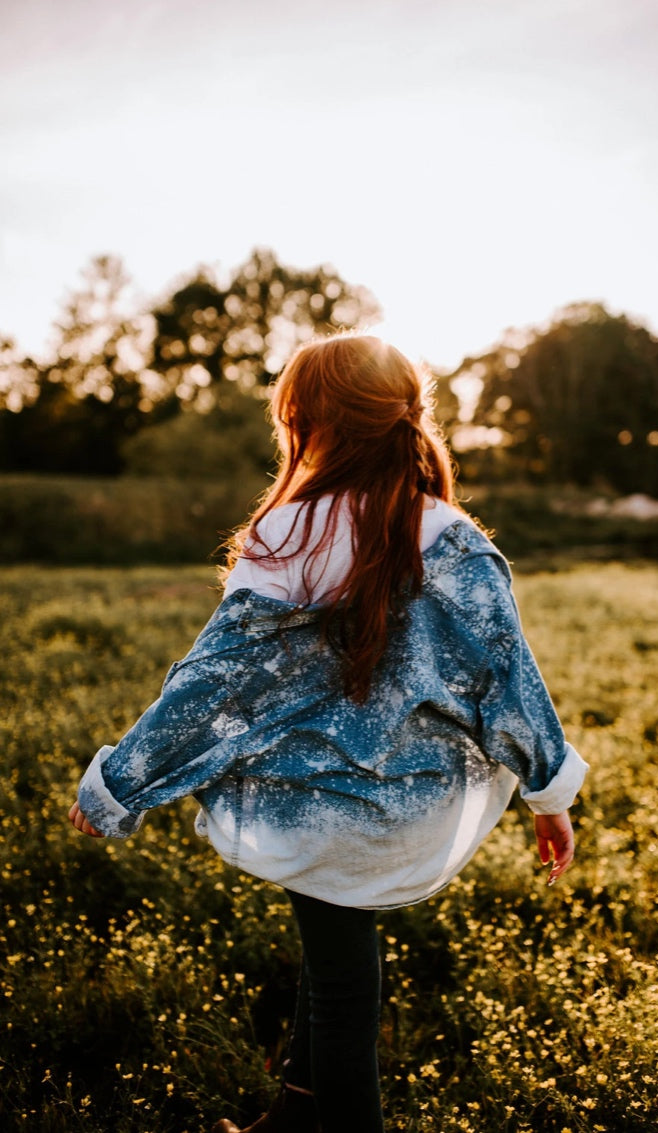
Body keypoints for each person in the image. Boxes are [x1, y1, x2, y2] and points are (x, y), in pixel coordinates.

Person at [69, 333, 588, 1133]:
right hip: (405, 806)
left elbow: (210, 683)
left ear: (311, 424)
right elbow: (509, 680)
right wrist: (549, 795)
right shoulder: (453, 536)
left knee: (344, 984)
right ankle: (293, 1114)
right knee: (335, 949)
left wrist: (121, 781)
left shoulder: (288, 536)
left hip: (307, 807)